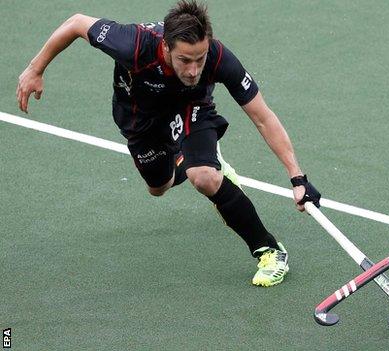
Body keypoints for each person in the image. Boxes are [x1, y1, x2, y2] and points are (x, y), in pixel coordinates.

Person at [16, 0, 321, 287]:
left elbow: (263, 117)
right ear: (165, 46)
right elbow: (76, 23)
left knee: (203, 177)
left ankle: (268, 249)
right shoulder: (133, 44)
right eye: (184, 60)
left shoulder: (218, 59)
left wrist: (297, 177)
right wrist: (35, 68)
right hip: (139, 118)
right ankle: (197, 160)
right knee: (158, 187)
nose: (193, 70)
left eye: (199, 59)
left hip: (191, 107)